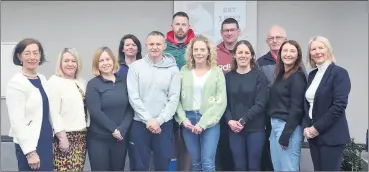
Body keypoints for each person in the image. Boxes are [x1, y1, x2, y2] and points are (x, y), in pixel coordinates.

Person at [127, 31, 181, 171]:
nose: (155, 47)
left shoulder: (173, 69)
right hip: (140, 124)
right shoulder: (135, 67)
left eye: (158, 44)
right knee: (140, 166)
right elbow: (133, 97)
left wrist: (159, 121)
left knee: (162, 164)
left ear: (164, 46)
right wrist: (149, 120)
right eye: (151, 44)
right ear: (146, 45)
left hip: (164, 125)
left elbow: (174, 98)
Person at [176, 35, 227, 171]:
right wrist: (183, 119)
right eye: (196, 49)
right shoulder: (184, 71)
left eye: (202, 50)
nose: (199, 53)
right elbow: (176, 99)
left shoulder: (217, 72)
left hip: (210, 121)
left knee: (208, 163)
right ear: (191, 52)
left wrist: (203, 123)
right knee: (195, 163)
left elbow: (221, 101)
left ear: (208, 52)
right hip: (189, 121)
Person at [303, 36, 351, 171]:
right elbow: (308, 105)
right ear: (310, 54)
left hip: (331, 136)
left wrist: (316, 128)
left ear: (328, 50)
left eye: (321, 47)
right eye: (313, 49)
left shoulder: (339, 73)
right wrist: (307, 127)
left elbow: (339, 106)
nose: (317, 52)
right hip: (314, 137)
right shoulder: (312, 75)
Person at [6, 38, 53, 171]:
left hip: (45, 137)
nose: (32, 57)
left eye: (35, 53)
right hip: (29, 143)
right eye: (27, 53)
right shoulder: (16, 83)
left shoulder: (42, 79)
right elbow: (17, 122)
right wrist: (29, 152)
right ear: (19, 56)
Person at [85, 46, 133, 171]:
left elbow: (130, 108)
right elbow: (95, 112)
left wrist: (122, 130)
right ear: (97, 64)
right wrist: (114, 130)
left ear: (113, 60)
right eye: (101, 61)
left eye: (108, 59)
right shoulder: (93, 84)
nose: (105, 63)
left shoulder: (123, 82)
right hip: (99, 140)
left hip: (120, 139)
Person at [224, 40, 268, 171]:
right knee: (239, 166)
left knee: (254, 165)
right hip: (234, 130)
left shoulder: (259, 76)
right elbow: (222, 103)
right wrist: (230, 120)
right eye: (240, 52)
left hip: (255, 129)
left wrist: (243, 120)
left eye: (246, 52)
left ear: (252, 56)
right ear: (234, 56)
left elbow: (261, 103)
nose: (243, 55)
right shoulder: (228, 77)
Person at [267, 40, 307, 171]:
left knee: (288, 168)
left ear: (298, 56)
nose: (288, 54)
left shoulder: (297, 76)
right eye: (285, 50)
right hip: (275, 127)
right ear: (280, 54)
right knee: (278, 168)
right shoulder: (280, 75)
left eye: (292, 51)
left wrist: (286, 134)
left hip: (288, 128)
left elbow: (297, 108)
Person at [164, 11, 195, 171]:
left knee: (189, 146)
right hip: (167, 104)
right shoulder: (162, 47)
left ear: (189, 26)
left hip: (190, 104)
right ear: (172, 26)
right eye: (178, 24)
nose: (181, 27)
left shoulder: (196, 46)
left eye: (184, 24)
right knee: (169, 146)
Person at [48, 48, 89, 171]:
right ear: (60, 63)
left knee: (77, 168)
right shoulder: (54, 81)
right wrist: (62, 137)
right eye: (66, 61)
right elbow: (53, 112)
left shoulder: (82, 82)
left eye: (73, 61)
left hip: (81, 135)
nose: (70, 64)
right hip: (66, 136)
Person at [256, 25, 287, 171]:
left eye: (278, 37)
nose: (275, 41)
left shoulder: (295, 60)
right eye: (271, 38)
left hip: (290, 118)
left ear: (285, 40)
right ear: (267, 41)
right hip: (268, 118)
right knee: (269, 158)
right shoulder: (260, 63)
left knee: (288, 160)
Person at [215, 17, 241, 171]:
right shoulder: (214, 53)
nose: (229, 33)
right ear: (221, 33)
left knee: (238, 155)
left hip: (239, 111)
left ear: (238, 32)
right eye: (226, 30)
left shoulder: (245, 50)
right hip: (219, 112)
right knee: (222, 153)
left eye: (232, 30)